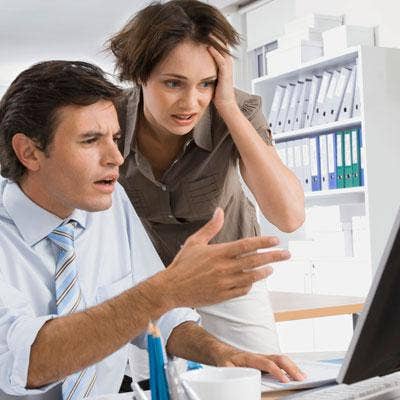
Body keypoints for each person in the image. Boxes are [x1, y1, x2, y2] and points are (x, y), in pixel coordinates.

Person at [0, 60, 305, 399]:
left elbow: (163, 315)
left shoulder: (110, 204)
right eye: (90, 140)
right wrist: (168, 288)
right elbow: (27, 362)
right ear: (29, 152)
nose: (116, 157)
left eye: (115, 138)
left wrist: (222, 354)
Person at [109, 0, 305, 359]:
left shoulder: (236, 109)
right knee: (151, 384)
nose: (191, 102)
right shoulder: (110, 118)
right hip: (148, 282)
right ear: (140, 75)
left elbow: (289, 216)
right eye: (173, 83)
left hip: (228, 280)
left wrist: (227, 107)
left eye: (206, 83)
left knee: (256, 377)